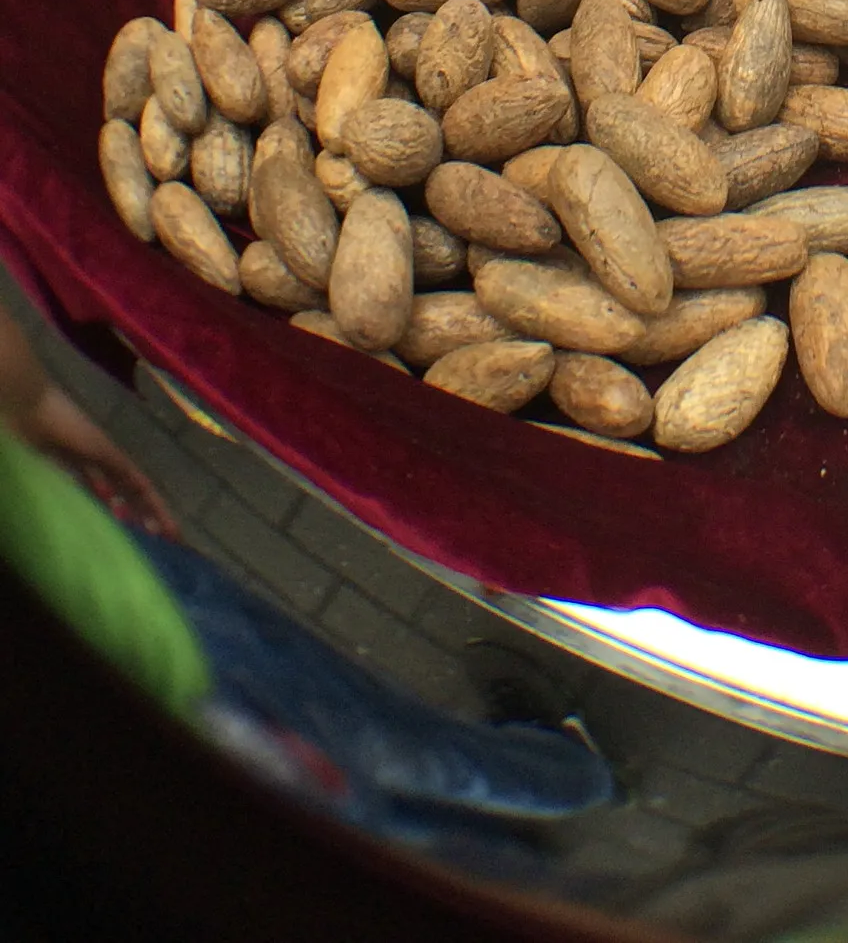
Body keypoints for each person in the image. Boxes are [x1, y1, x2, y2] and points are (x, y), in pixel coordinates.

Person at [0, 301, 613, 850]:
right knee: (376, 750)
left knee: (352, 803)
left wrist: (34, 407)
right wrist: (33, 404)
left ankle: (510, 827)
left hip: (107, 620)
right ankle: (559, 788)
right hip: (157, 648)